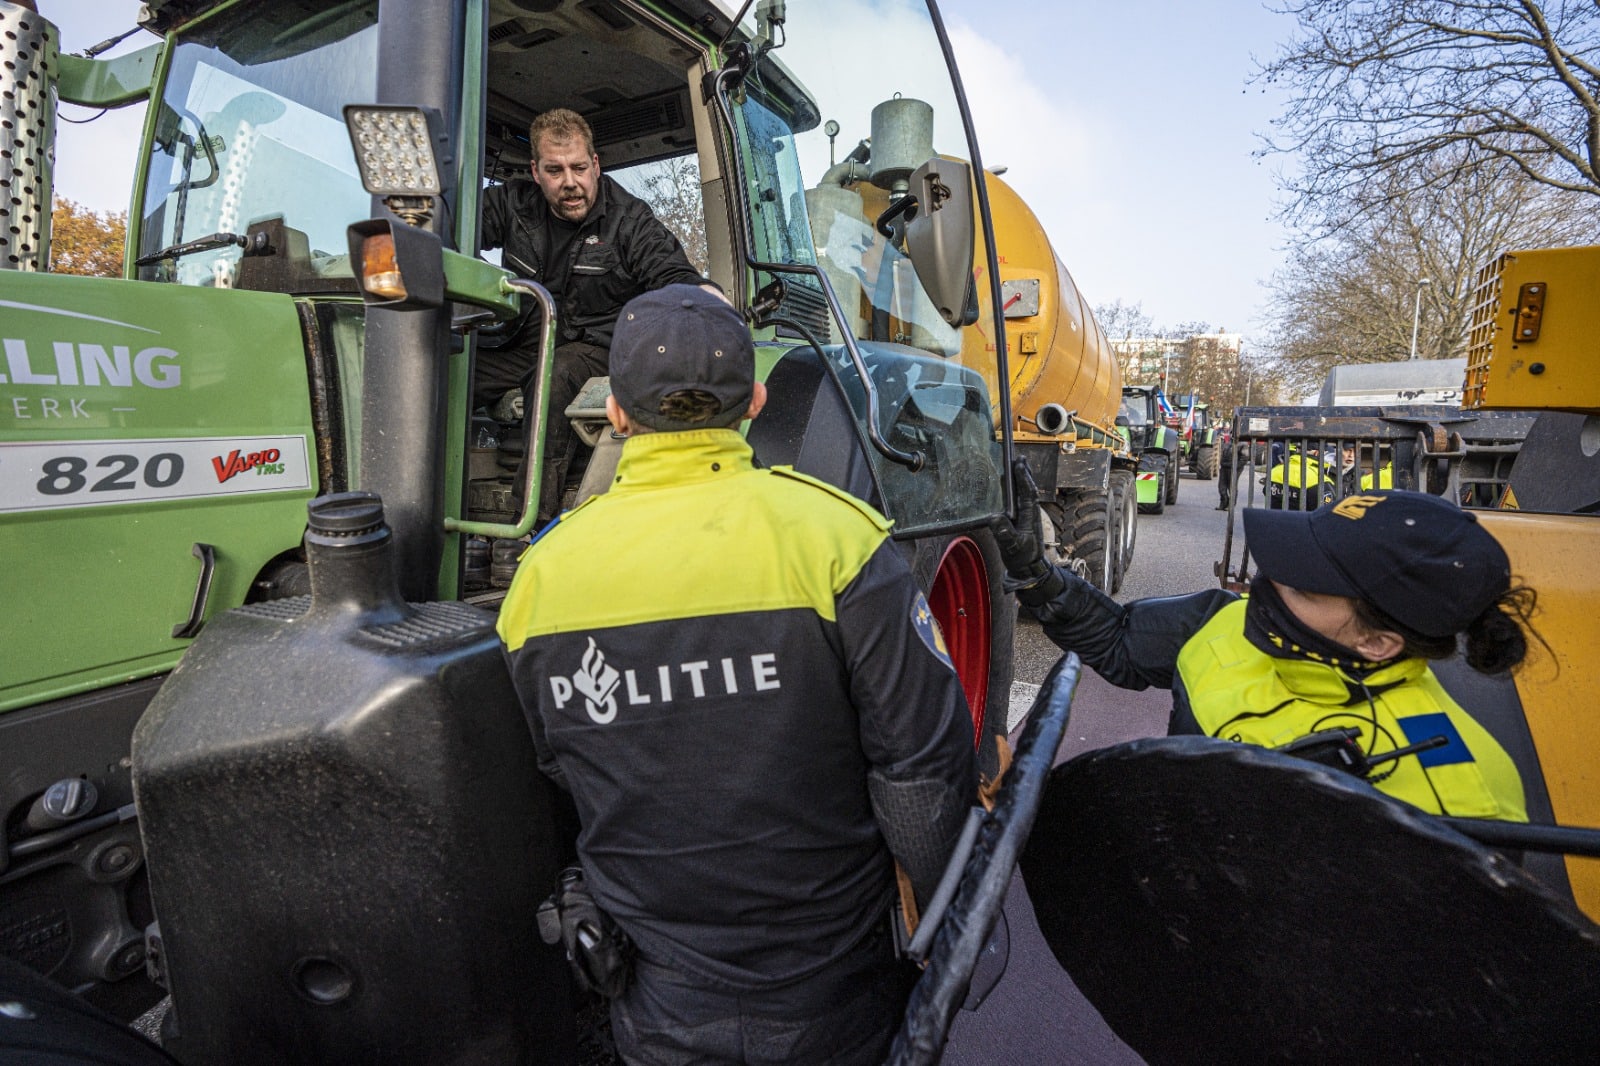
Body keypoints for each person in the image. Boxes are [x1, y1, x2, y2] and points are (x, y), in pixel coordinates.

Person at [497, 284, 977, 1064]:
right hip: (834, 993)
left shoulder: (540, 582)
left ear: (615, 413)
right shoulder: (838, 541)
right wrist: (945, 921)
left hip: (655, 1000)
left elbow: (560, 771)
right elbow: (921, 774)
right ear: (755, 401)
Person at [993, 460, 1535, 822]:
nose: (1264, 586)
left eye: (1300, 583)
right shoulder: (1223, 622)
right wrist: (1041, 576)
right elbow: (1117, 638)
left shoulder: (1462, 798)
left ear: (1378, 643)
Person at [480, 107, 712, 519]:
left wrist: (709, 302)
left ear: (596, 166)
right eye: (555, 170)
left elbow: (672, 273)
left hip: (597, 347)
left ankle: (527, 526)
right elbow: (452, 221)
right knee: (451, 366)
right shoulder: (514, 205)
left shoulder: (629, 219)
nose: (570, 182)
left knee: (554, 373)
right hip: (528, 339)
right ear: (536, 172)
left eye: (579, 168)